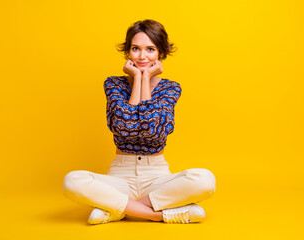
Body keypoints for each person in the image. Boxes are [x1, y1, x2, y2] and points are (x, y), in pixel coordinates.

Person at [62, 19, 216, 224]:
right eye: (136, 49)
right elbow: (124, 127)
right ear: (128, 52)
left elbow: (151, 129)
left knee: (205, 180)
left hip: (157, 176)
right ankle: (159, 214)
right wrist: (138, 77)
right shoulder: (113, 84)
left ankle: (118, 209)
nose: (142, 56)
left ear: (161, 53)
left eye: (150, 49)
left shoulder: (171, 88)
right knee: (72, 181)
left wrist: (145, 78)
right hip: (120, 176)